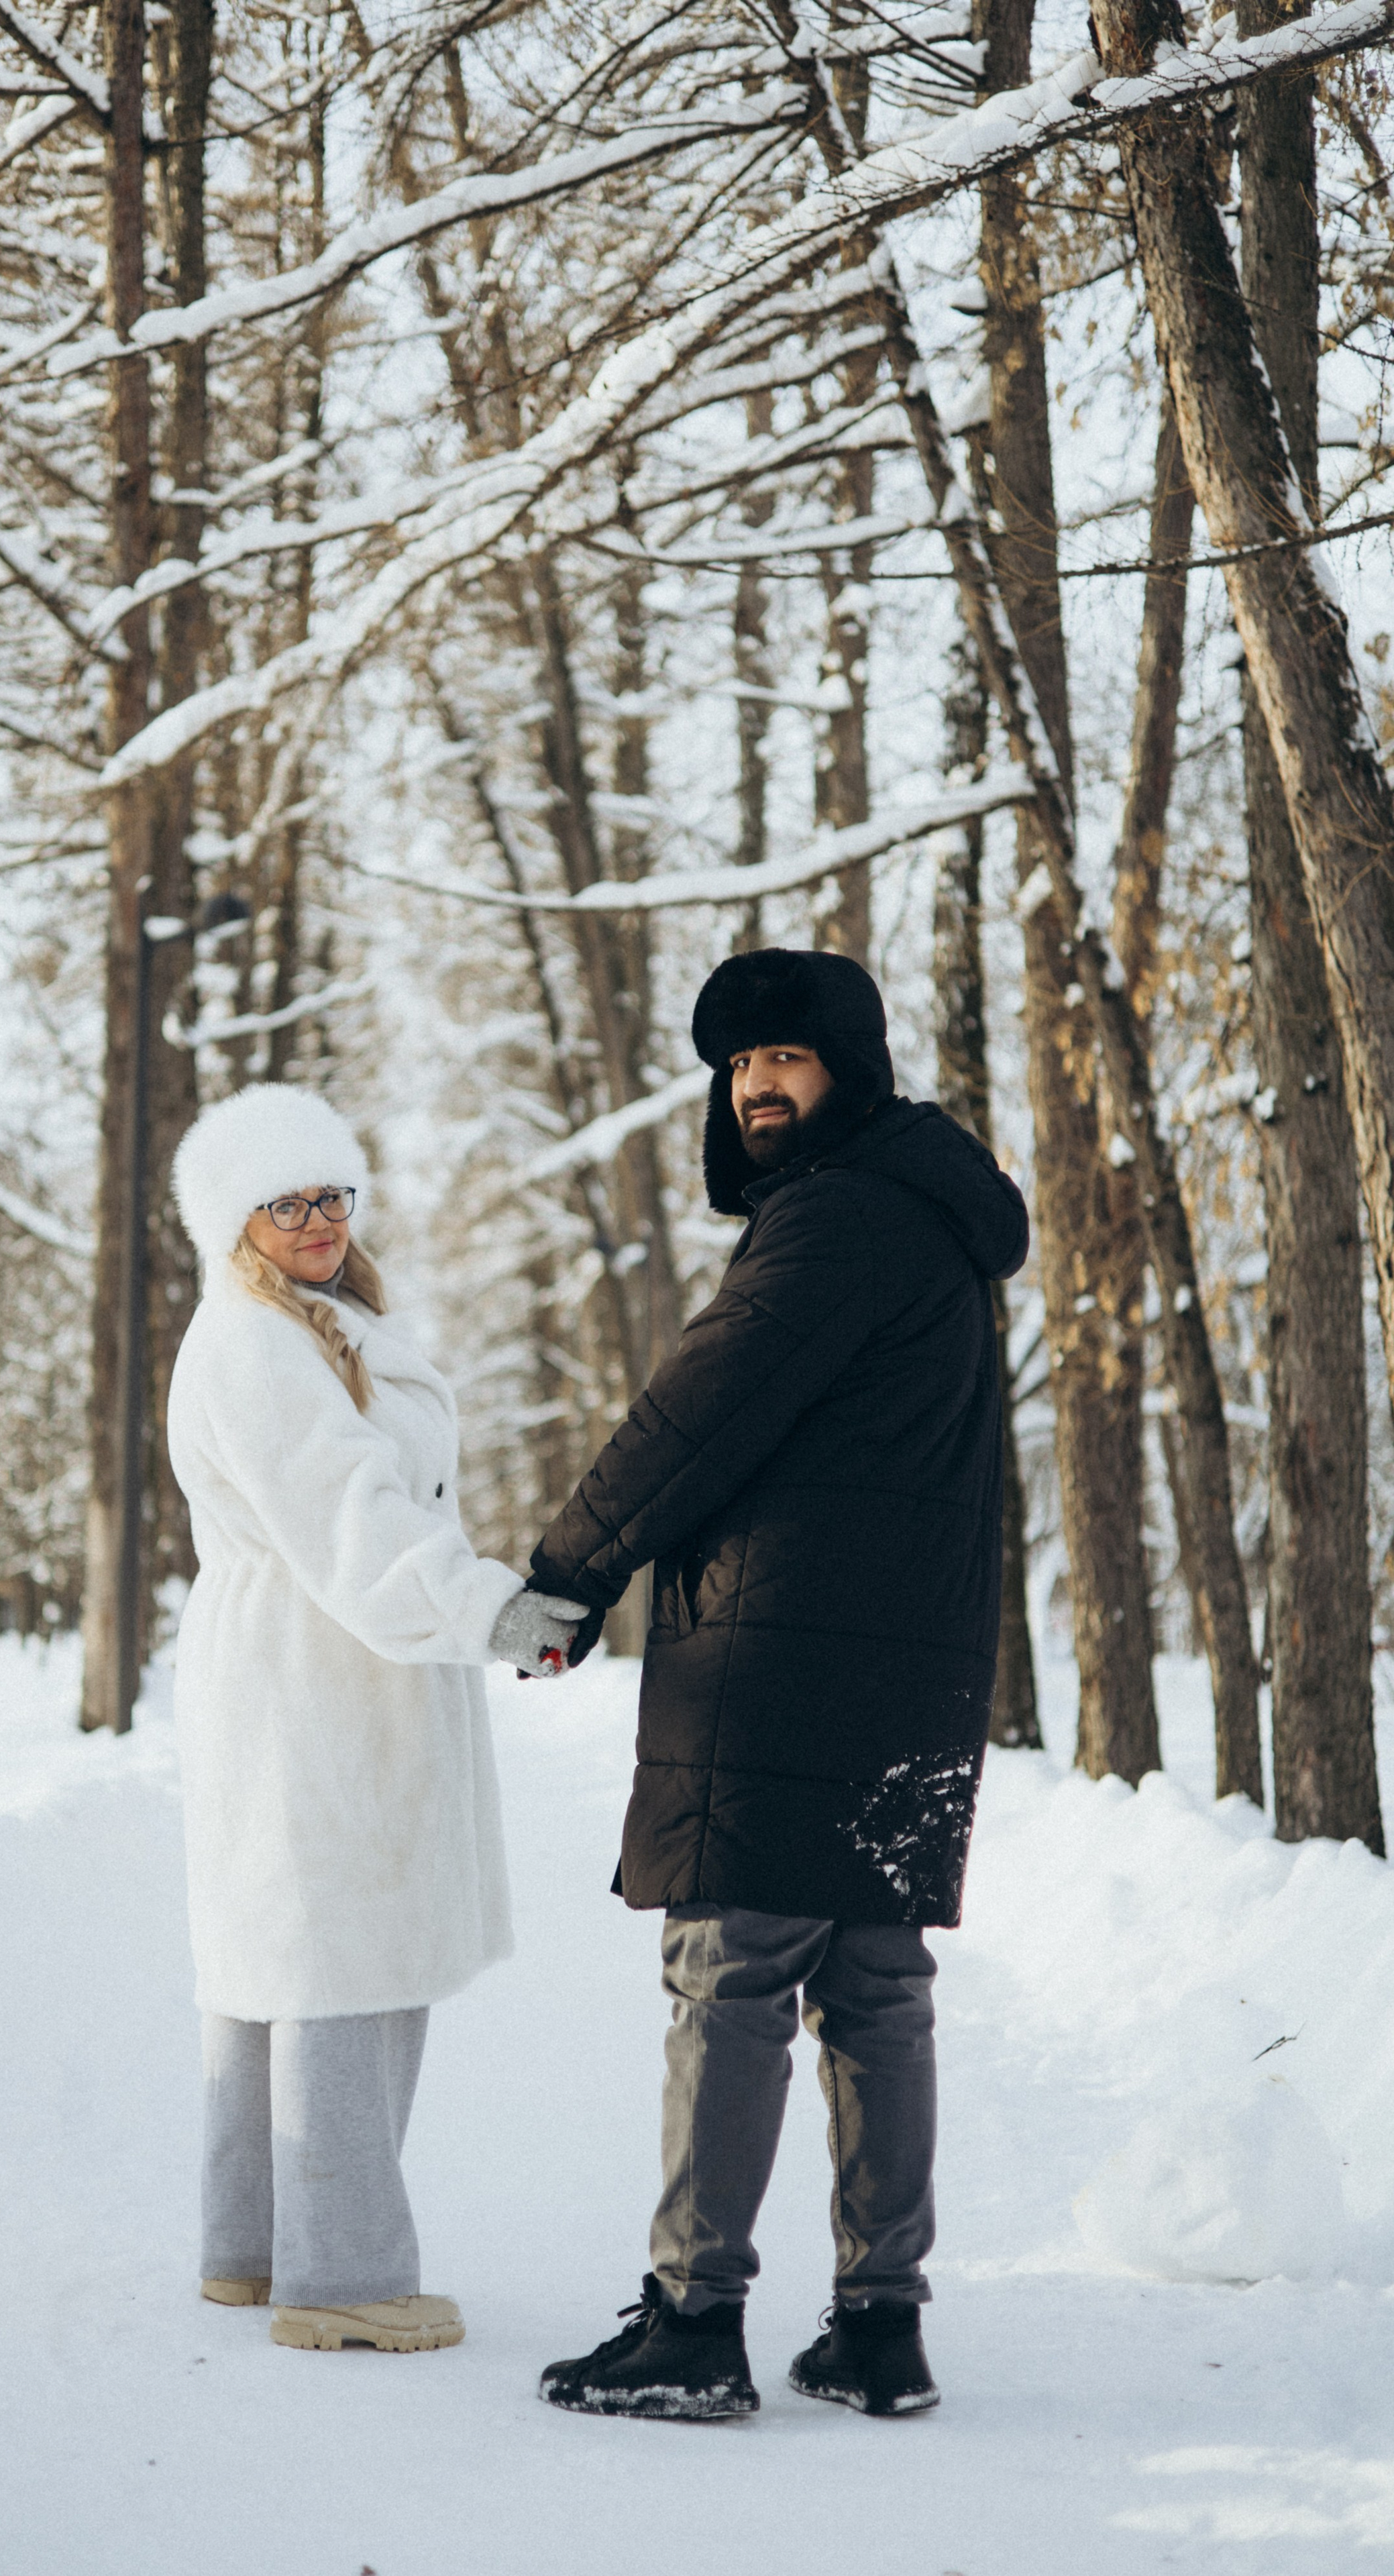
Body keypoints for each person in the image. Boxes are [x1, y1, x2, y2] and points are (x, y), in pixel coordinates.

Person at [526, 948, 1028, 2421]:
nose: (755, 1084)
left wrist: (571, 1568)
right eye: (737, 1065)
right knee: (875, 1988)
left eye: (786, 1060)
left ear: (849, 1070)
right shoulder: (926, 1211)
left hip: (790, 1657)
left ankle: (693, 2318)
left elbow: (698, 1411)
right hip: (911, 1667)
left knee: (731, 1978)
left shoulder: (837, 1217)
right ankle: (878, 2328)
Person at [166, 1082, 584, 2355]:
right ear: (236, 1220)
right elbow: (353, 1518)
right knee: (344, 1955)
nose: (317, 1222)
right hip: (321, 1663)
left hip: (310, 1661)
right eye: (285, 1204)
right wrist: (489, 1609)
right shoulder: (257, 1342)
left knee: (277, 1956)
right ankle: (341, 2275)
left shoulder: (305, 1324)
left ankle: (255, 2249)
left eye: (331, 1196)